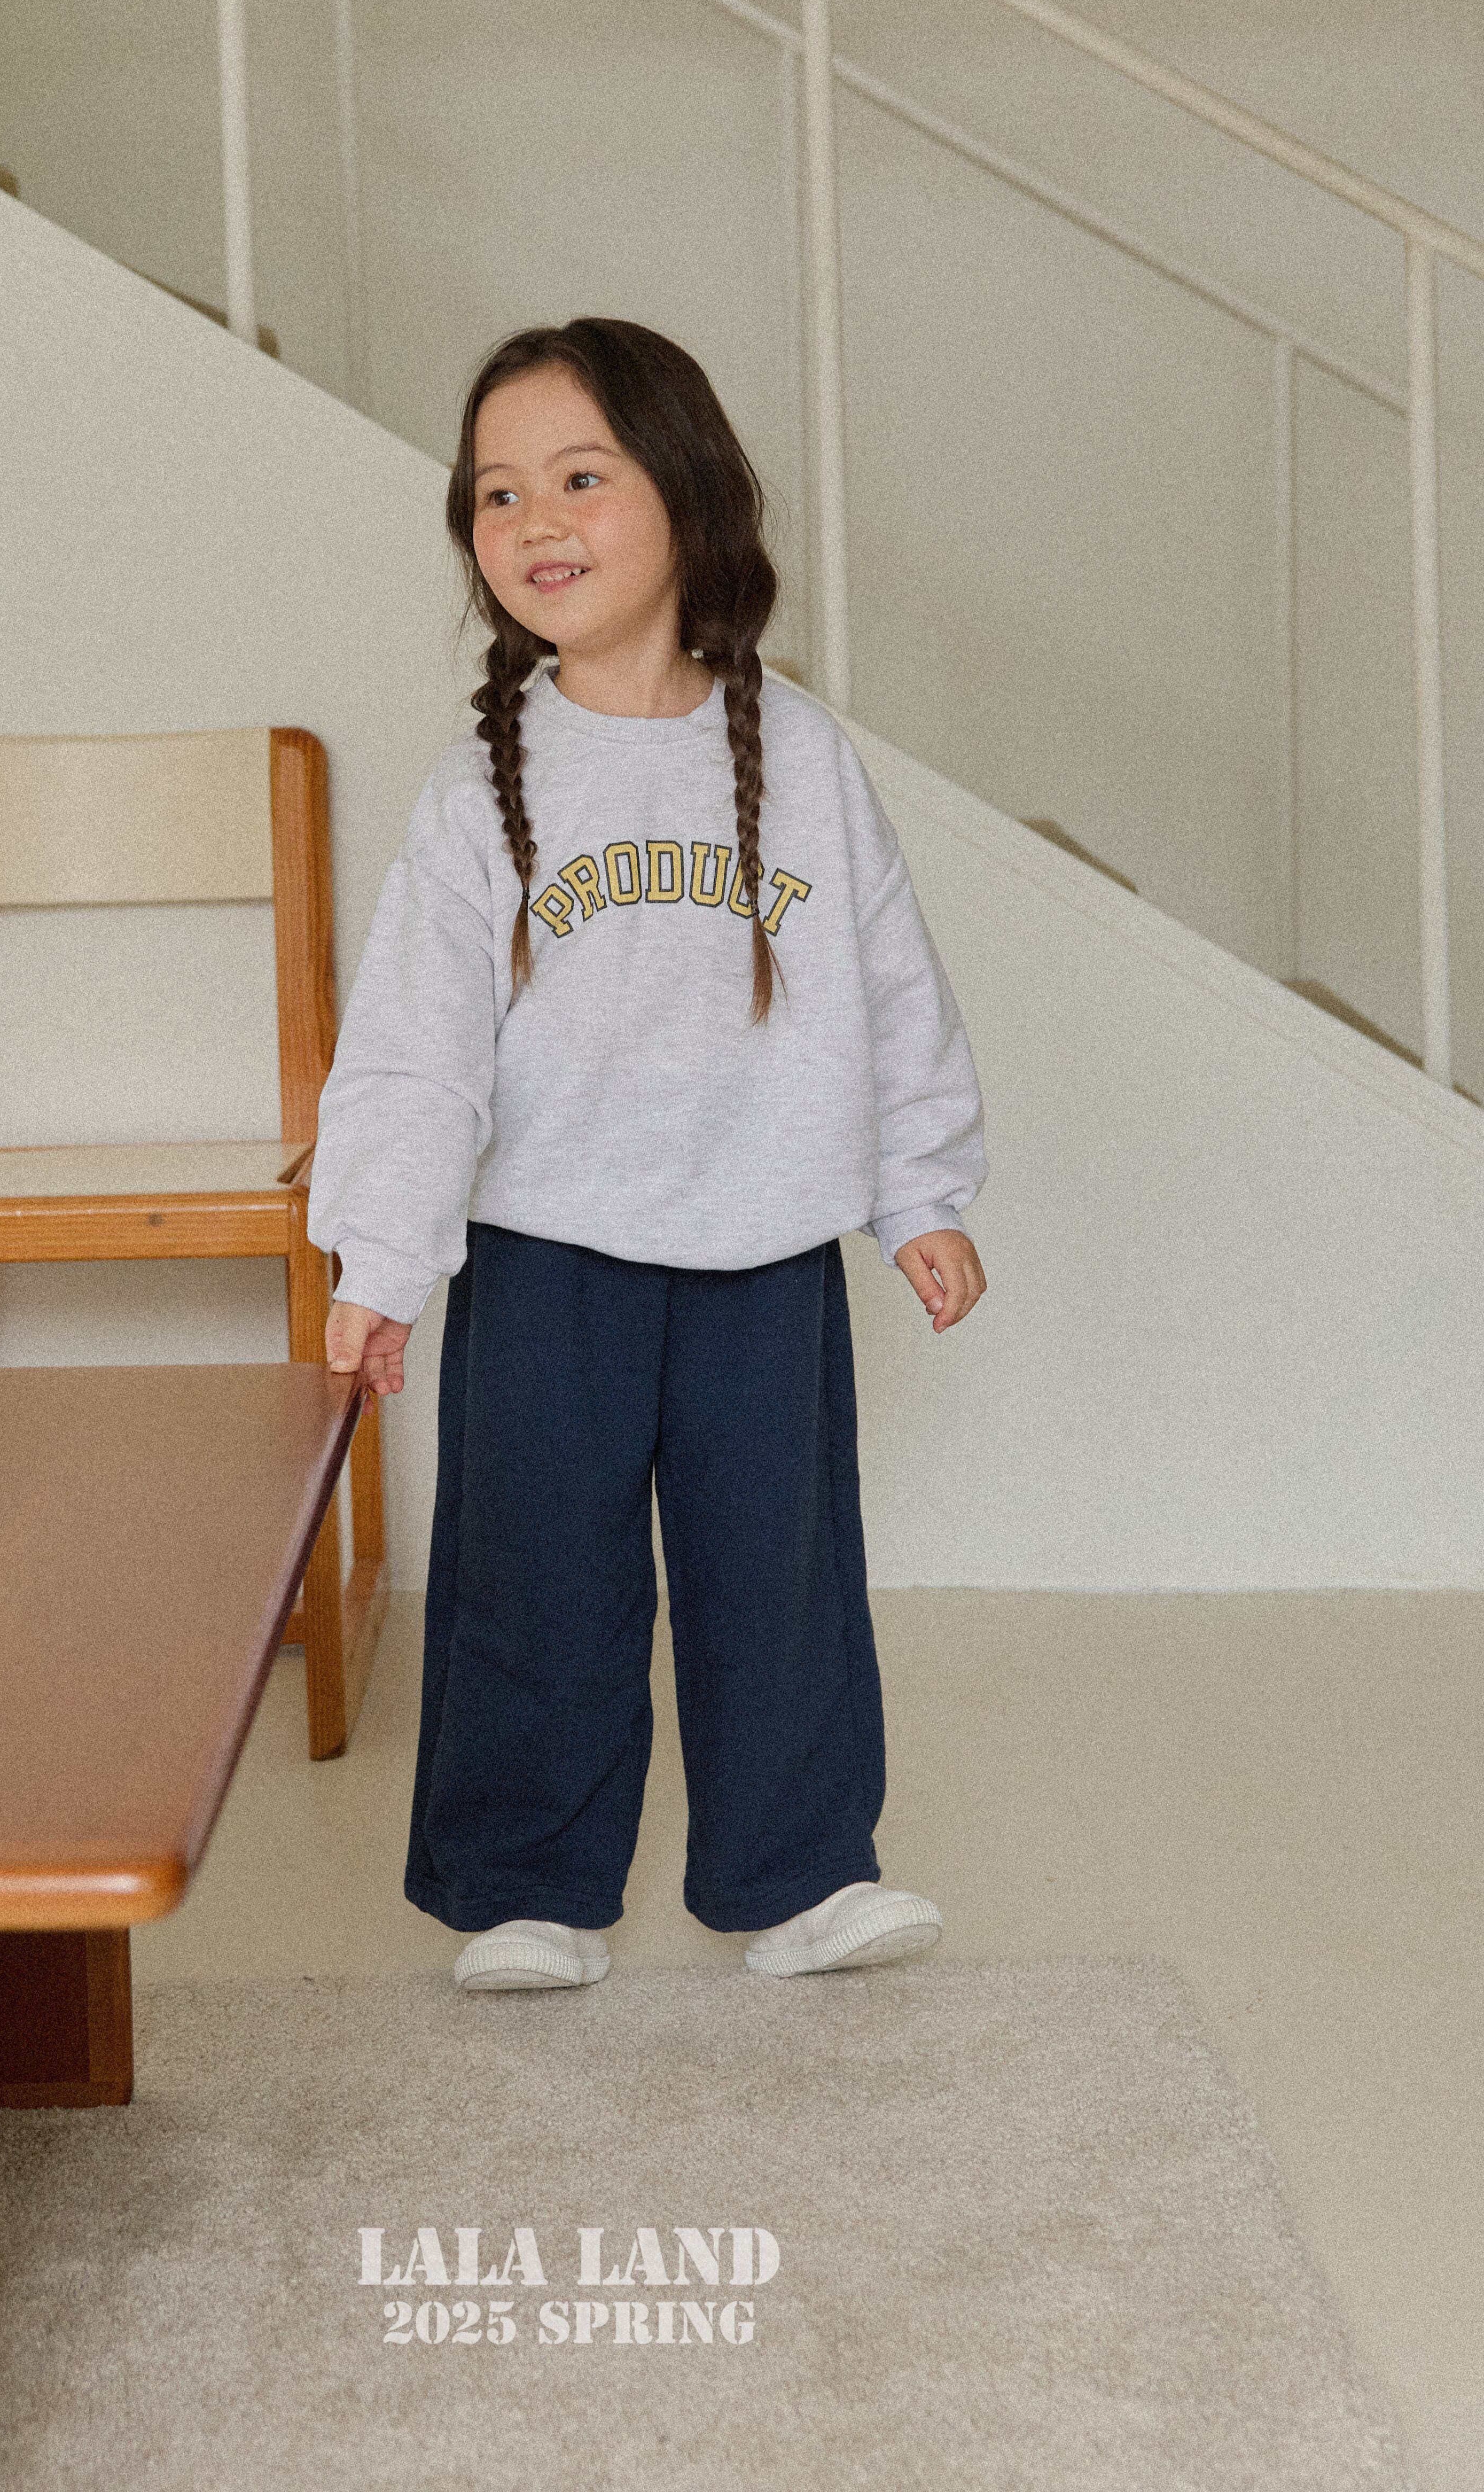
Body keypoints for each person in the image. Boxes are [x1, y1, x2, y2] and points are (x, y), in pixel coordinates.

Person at [310, 317, 987, 1996]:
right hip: (548, 1255)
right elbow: (414, 1049)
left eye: (580, 478)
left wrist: (920, 1195)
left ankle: (801, 1877)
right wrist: (382, 1258)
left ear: (686, 495)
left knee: (781, 1581)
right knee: (536, 1575)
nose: (534, 520)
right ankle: (527, 1889)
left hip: (767, 1251)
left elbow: (891, 988)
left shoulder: (802, 760)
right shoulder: (482, 789)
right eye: (497, 494)